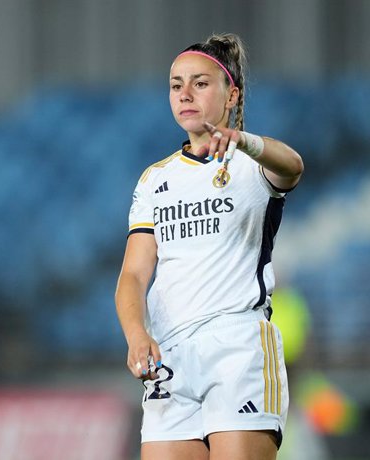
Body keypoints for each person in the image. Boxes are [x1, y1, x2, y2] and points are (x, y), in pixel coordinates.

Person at [114, 33, 304, 460]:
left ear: (231, 93)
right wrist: (135, 333)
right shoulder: (155, 180)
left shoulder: (253, 163)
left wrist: (245, 141)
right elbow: (134, 273)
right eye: (176, 84)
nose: (185, 93)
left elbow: (293, 167)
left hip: (237, 351)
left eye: (200, 83)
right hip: (171, 360)